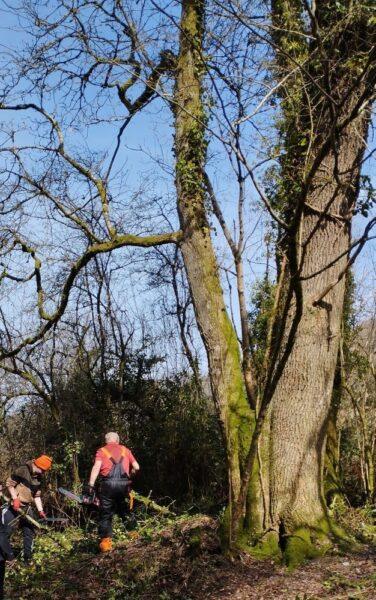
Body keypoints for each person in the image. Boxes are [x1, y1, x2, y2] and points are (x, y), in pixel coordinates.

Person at [88, 432, 139, 553]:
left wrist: (90, 485)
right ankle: (135, 537)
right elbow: (136, 467)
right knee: (126, 511)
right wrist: (129, 476)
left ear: (106, 441)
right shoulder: (125, 450)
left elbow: (96, 467)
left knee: (106, 514)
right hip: (124, 486)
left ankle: (106, 544)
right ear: (117, 440)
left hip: (108, 486)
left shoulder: (102, 451)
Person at [0, 455, 52, 564]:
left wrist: (40, 510)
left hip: (27, 508)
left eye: (44, 471)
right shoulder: (23, 470)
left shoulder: (38, 477)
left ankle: (27, 559)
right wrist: (15, 499)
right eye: (42, 470)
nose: (42, 472)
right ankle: (7, 557)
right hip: (12, 505)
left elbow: (37, 496)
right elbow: (9, 484)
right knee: (5, 532)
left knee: (29, 532)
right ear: (37, 465)